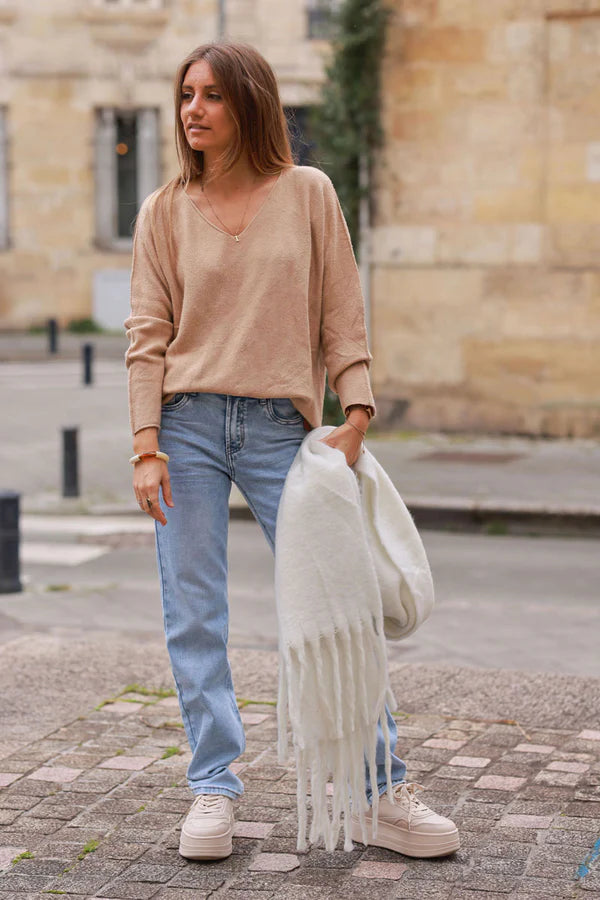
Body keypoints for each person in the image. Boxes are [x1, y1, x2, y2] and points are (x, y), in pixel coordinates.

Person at [124, 40, 459, 862]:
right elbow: (146, 338)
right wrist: (145, 445)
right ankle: (213, 787)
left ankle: (380, 790)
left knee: (337, 609)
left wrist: (359, 411)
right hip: (187, 426)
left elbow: (342, 312)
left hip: (286, 430)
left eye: (210, 95)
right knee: (193, 614)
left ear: (250, 102)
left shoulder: (307, 194)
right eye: (186, 95)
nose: (192, 110)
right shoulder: (164, 210)